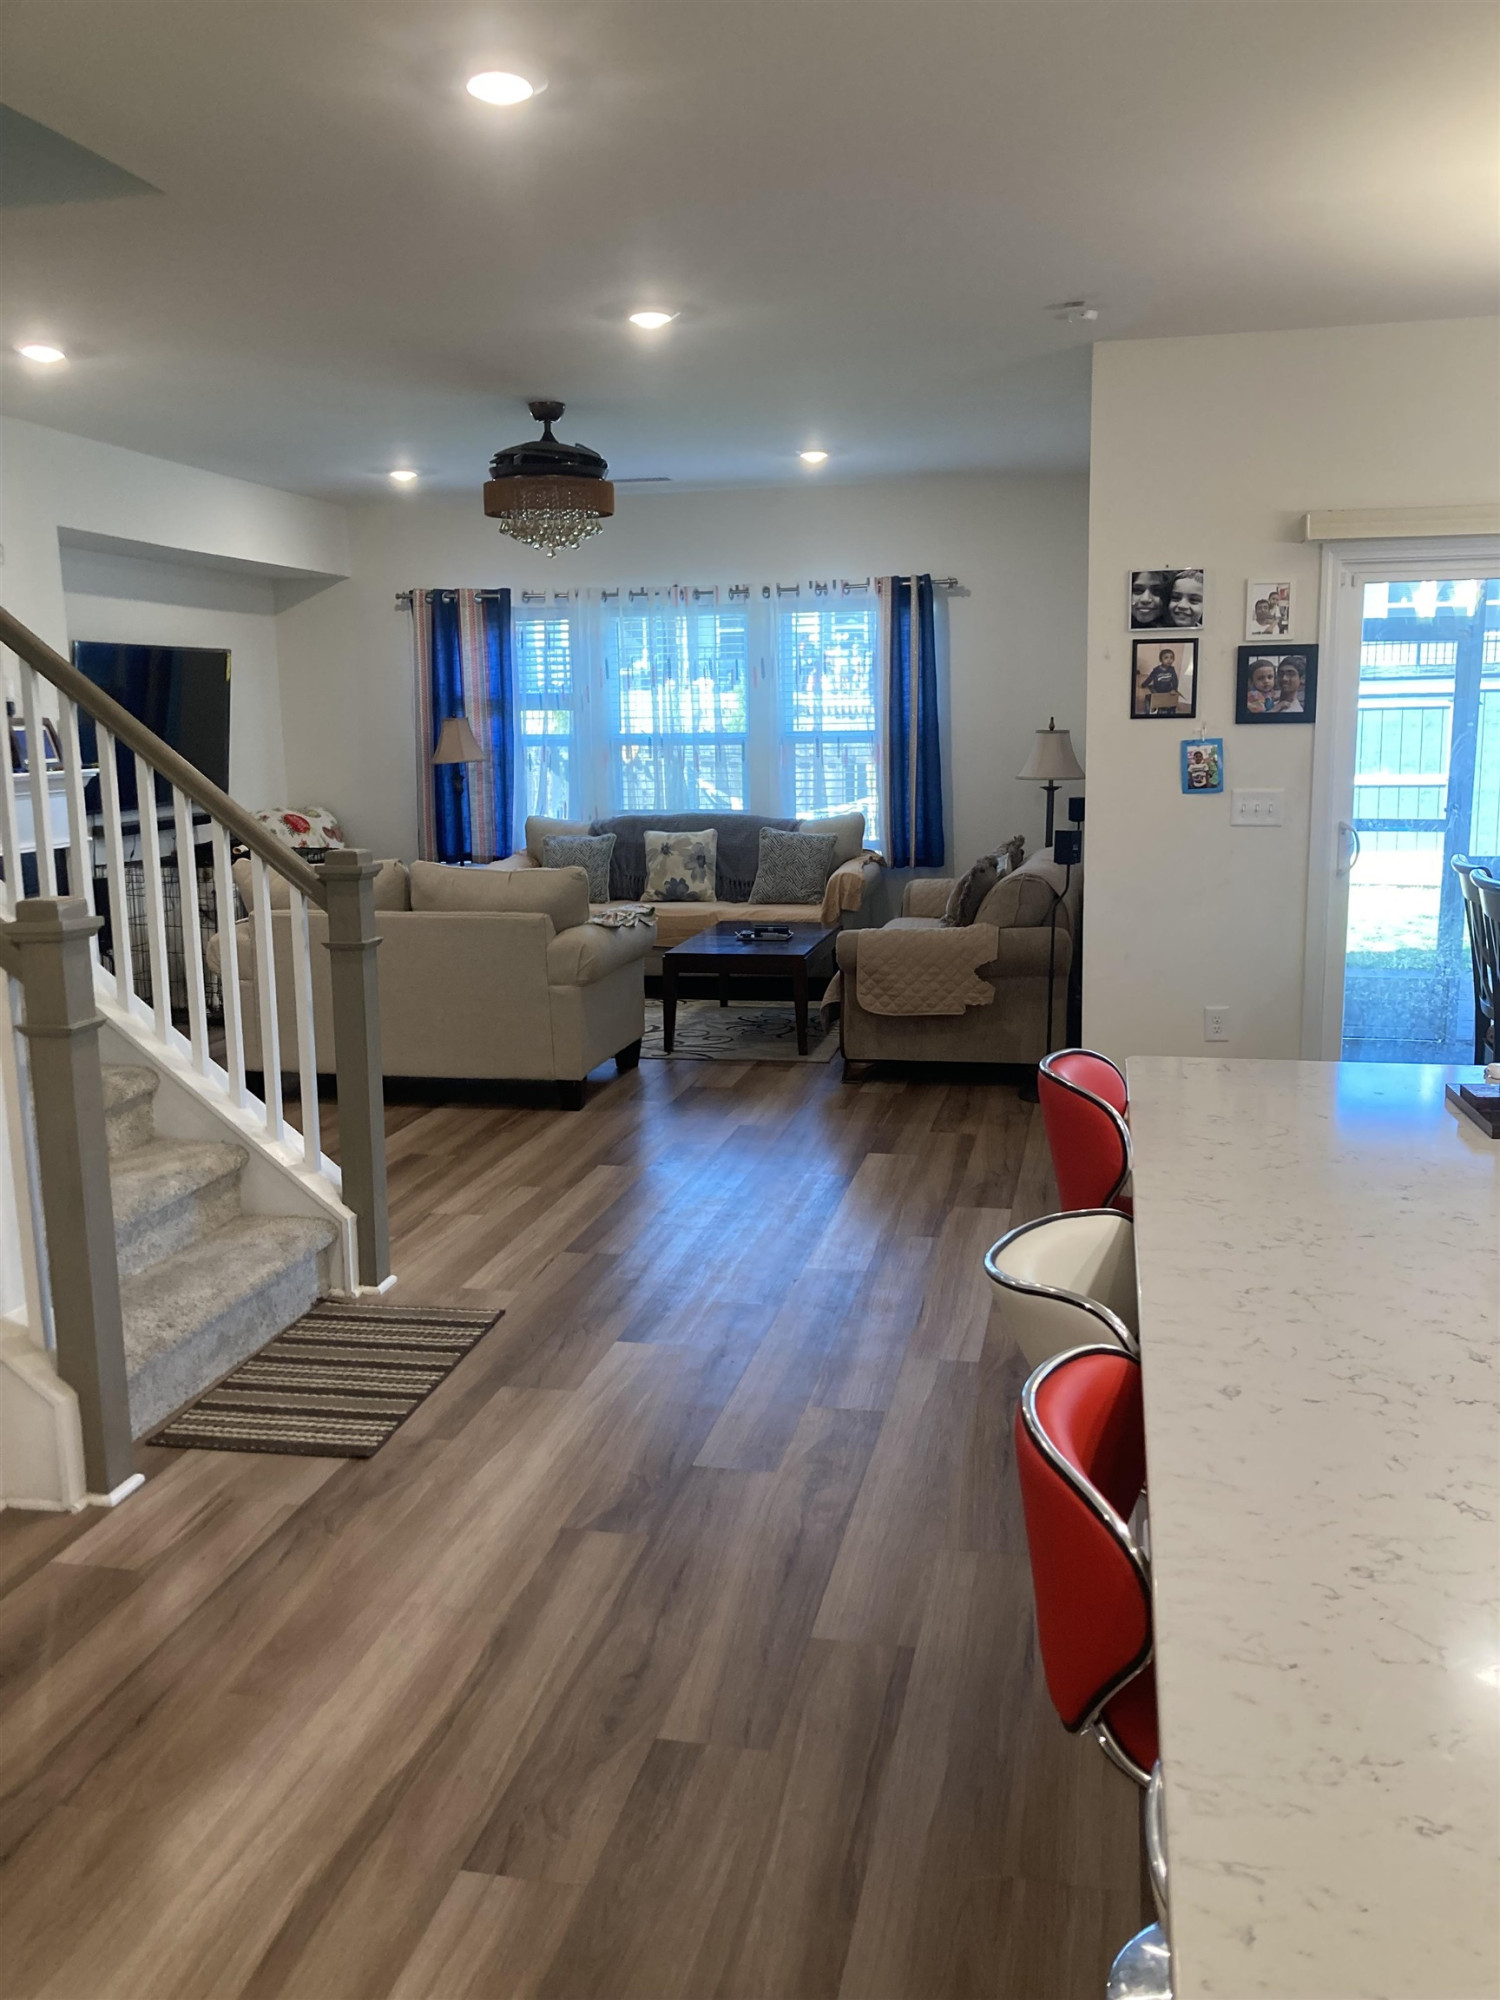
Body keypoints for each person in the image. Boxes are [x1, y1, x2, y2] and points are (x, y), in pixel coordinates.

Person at [1140, 647, 1180, 715]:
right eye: (1166, 658)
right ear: (1161, 660)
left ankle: (1168, 710)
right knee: (1152, 698)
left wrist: (1174, 689)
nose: (1169, 660)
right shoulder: (1156, 670)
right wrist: (1144, 685)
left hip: (1167, 690)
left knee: (1170, 701)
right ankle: (1154, 709)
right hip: (1157, 690)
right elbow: (1150, 678)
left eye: (1171, 658)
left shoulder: (1172, 670)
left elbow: (1175, 680)